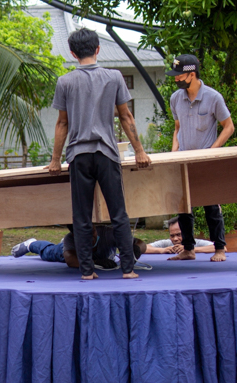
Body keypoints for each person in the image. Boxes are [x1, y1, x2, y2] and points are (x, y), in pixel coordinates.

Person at [47, 28, 151, 280]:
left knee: (81, 216)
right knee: (118, 213)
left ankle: (86, 272)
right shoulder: (114, 77)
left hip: (79, 156)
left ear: (72, 53)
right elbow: (125, 116)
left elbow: (62, 123)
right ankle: (127, 270)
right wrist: (139, 150)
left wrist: (55, 160)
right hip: (106, 153)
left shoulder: (65, 81)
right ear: (98, 49)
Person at [166, 54, 235, 263]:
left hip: (206, 160)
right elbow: (177, 128)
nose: (176, 79)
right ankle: (188, 249)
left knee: (211, 205)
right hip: (183, 159)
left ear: (191, 74)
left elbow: (229, 127)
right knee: (183, 206)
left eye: (179, 76)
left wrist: (212, 151)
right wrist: (173, 153)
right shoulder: (176, 98)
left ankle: (220, 248)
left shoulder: (213, 97)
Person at [12, 226, 147, 271]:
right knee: (48, 252)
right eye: (85, 234)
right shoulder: (70, 239)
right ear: (75, 234)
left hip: (91, 257)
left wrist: (135, 250)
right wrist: (94, 263)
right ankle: (31, 244)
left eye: (93, 232)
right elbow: (70, 260)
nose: (92, 237)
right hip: (67, 252)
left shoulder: (109, 233)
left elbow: (141, 243)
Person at [144, 216, 219, 254]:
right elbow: (142, 248)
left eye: (179, 234)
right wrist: (161, 250)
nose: (175, 239)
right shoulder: (167, 244)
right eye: (172, 236)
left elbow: (221, 248)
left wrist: (190, 249)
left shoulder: (195, 243)